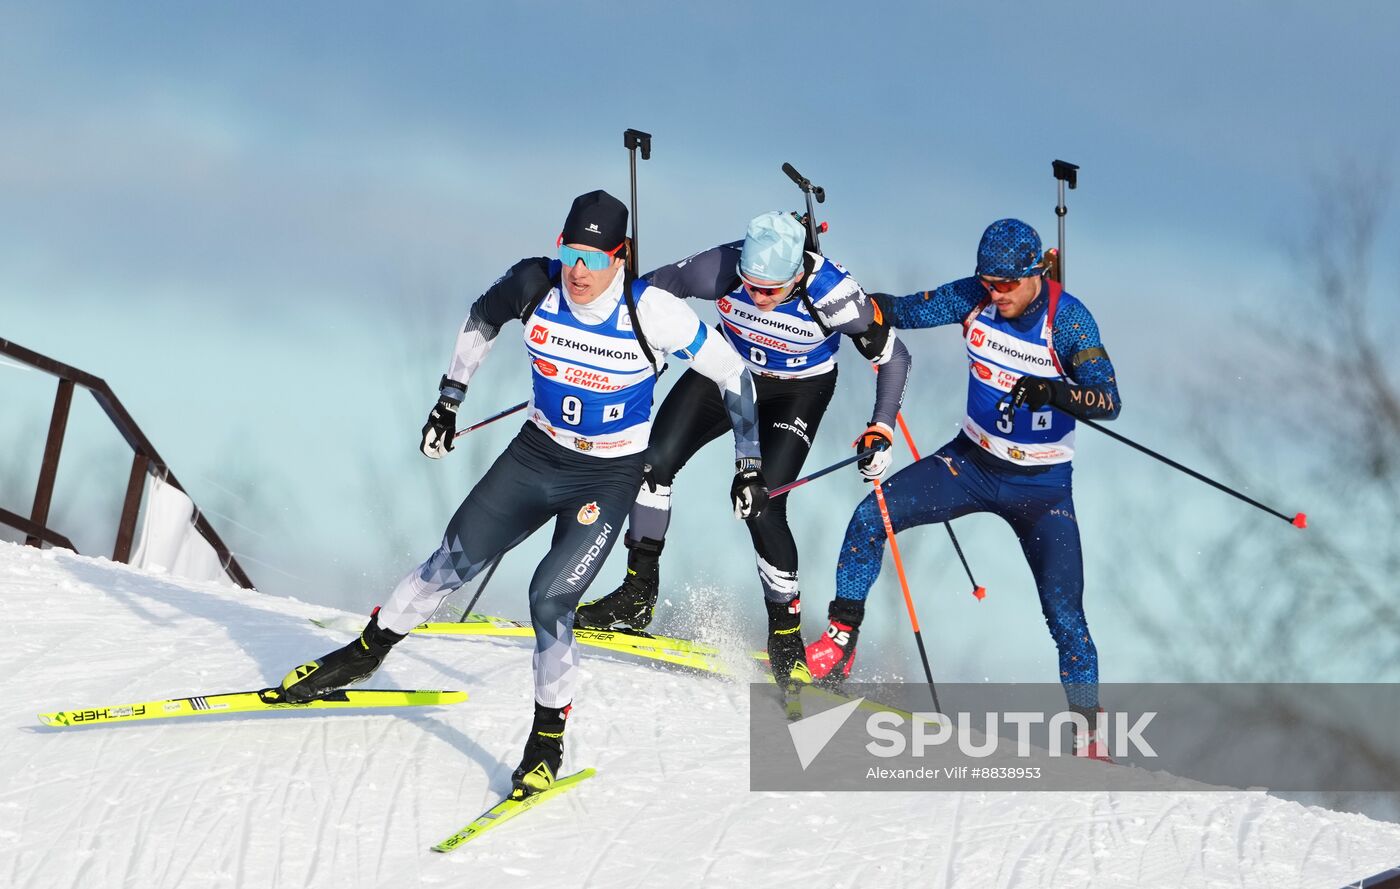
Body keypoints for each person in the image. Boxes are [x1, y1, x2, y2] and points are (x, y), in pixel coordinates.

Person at [274, 190, 766, 796]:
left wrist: (747, 463)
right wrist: (449, 400)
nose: (578, 270)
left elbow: (733, 373)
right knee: (446, 565)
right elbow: (481, 319)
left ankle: (546, 741)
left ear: (622, 256)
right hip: (534, 457)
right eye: (570, 252)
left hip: (606, 477)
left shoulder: (654, 312)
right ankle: (362, 655)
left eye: (593, 257)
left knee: (548, 601)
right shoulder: (536, 283)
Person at [805, 218, 1121, 758]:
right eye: (988, 283)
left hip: (1041, 490)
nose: (995, 294)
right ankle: (840, 644)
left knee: (1065, 614)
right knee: (869, 516)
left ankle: (1089, 736)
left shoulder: (1068, 321)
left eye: (1006, 284)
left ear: (1034, 273)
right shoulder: (974, 296)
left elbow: (1109, 401)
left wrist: (1055, 392)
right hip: (970, 464)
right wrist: (838, 304)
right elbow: (897, 309)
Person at [576, 211, 910, 689]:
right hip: (725, 371)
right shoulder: (721, 267)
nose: (756, 296)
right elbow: (647, 292)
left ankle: (786, 637)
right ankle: (636, 593)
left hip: (797, 391)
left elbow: (894, 356)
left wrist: (882, 426)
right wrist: (623, 339)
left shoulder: (836, 296)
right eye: (749, 285)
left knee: (763, 505)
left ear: (798, 275)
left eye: (770, 290)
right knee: (650, 464)